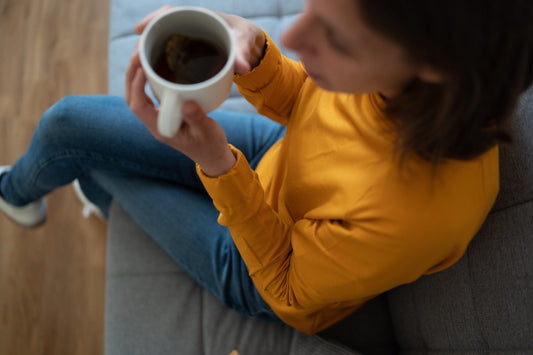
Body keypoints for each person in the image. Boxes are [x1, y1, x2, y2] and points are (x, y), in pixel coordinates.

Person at [1, 0, 532, 334]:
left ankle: (23, 193)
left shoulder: (417, 215)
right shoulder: (407, 83)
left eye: (335, 37)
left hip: (261, 266)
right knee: (71, 127)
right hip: (278, 153)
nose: (295, 36)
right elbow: (308, 103)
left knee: (81, 145)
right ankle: (52, 194)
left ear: (434, 66)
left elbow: (285, 286)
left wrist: (215, 164)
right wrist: (258, 60)